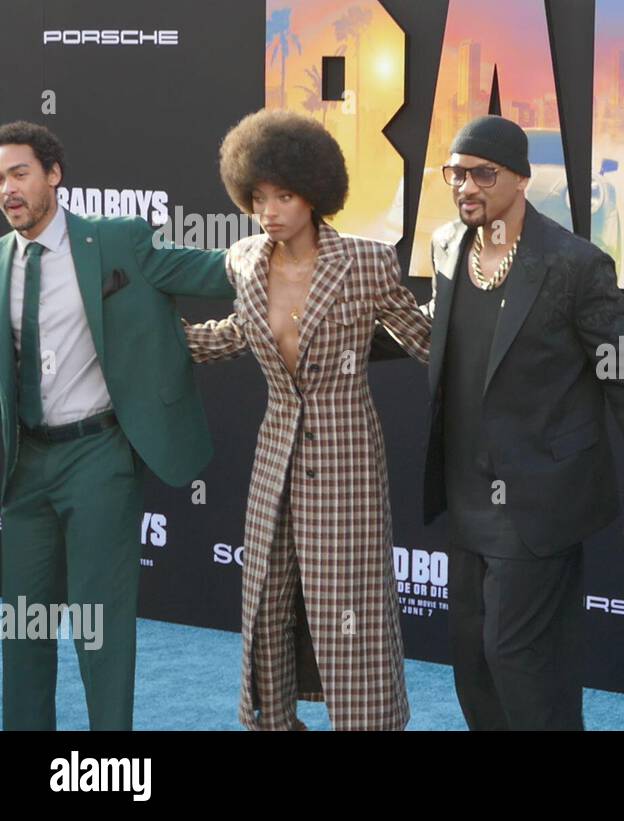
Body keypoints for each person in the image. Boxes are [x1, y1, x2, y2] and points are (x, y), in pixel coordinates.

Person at [376, 115, 624, 730]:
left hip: (540, 494)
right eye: (456, 174)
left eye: (484, 173)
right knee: (472, 658)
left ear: (520, 179)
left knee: (516, 654)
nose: (466, 186)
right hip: (466, 488)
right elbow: (437, 323)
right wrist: (350, 336)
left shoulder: (573, 264)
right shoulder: (448, 244)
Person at [183, 109, 431, 730]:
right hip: (275, 455)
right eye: (258, 197)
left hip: (347, 458)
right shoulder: (244, 261)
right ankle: (275, 718)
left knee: (351, 603)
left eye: (284, 196)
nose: (269, 210)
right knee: (268, 595)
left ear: (315, 194)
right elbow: (236, 334)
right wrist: (147, 336)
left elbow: (424, 338)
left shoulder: (367, 262)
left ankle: (367, 721)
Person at [0, 121, 234, 730]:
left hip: (97, 457)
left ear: (53, 174)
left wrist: (291, 244)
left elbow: (209, 269)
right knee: (22, 625)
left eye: (19, 173)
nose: (8, 189)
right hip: (22, 467)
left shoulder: (117, 241)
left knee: (100, 624)